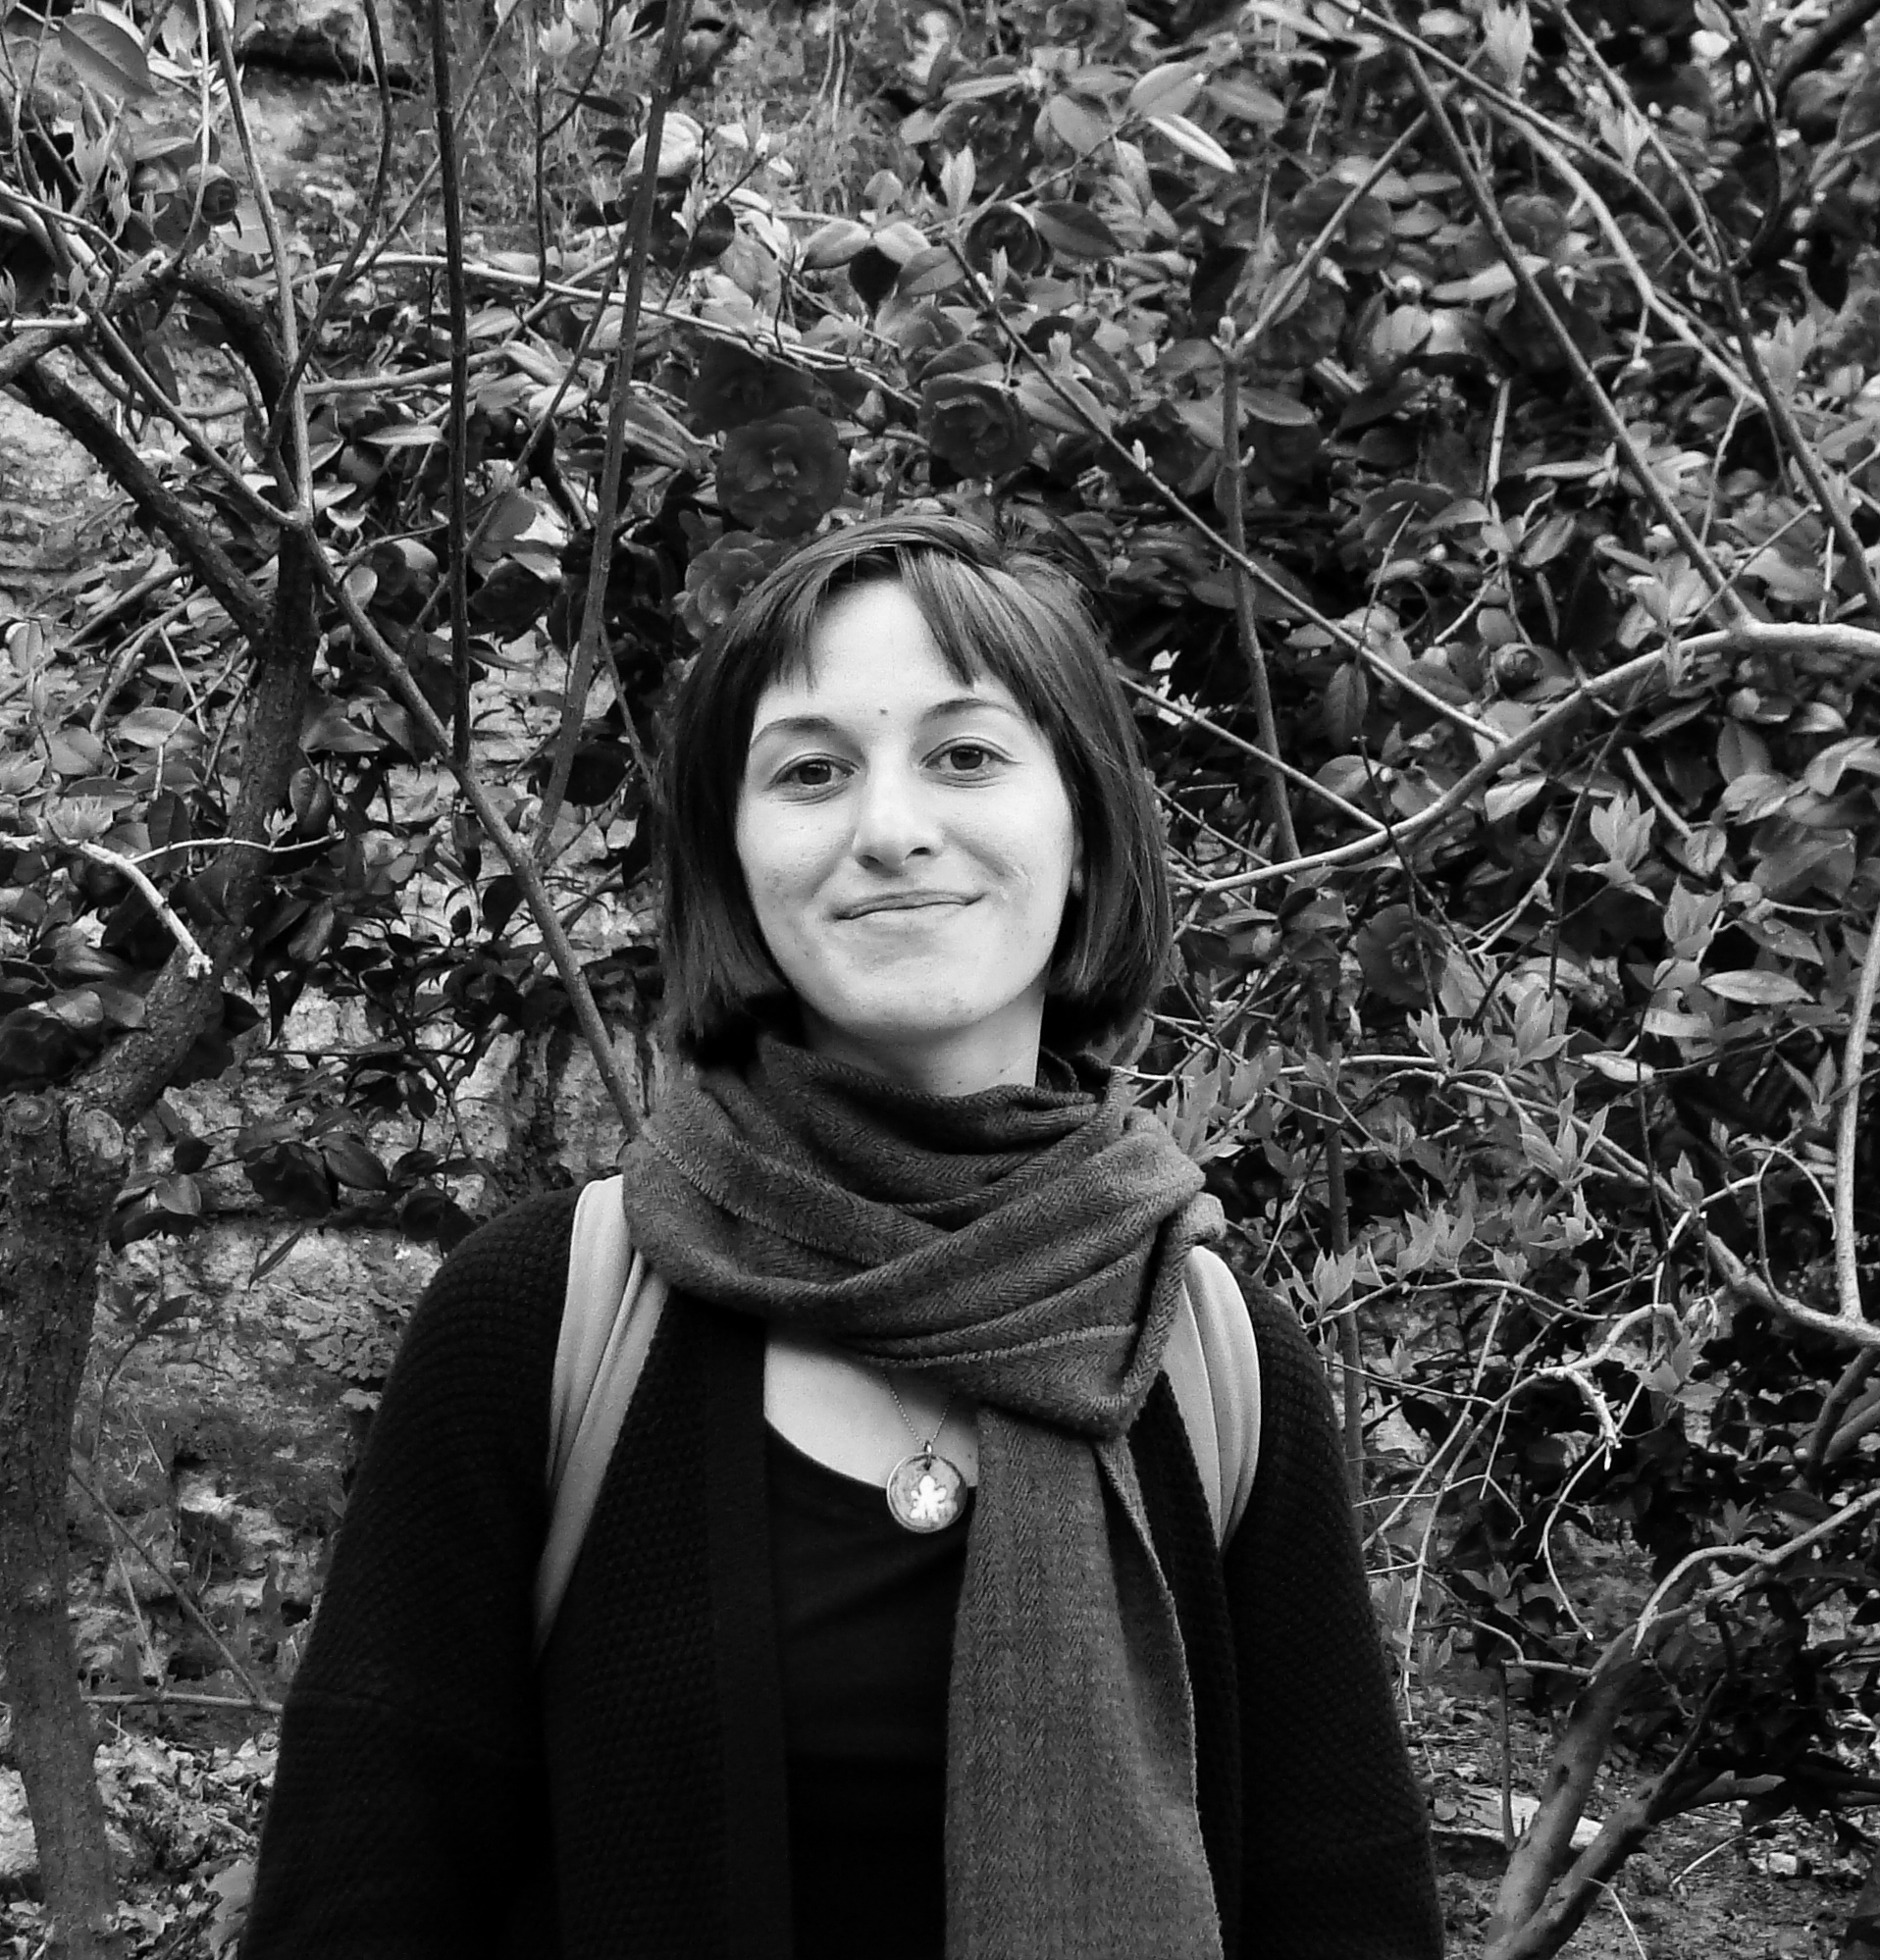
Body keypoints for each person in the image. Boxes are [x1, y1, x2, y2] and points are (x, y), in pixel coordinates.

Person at [241, 514, 1442, 1960]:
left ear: (1083, 835)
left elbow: (1347, 1910)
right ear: (735, 862)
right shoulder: (543, 1317)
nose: (889, 828)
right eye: (811, 771)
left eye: (966, 755)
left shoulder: (1212, 1358)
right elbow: (354, 1903)